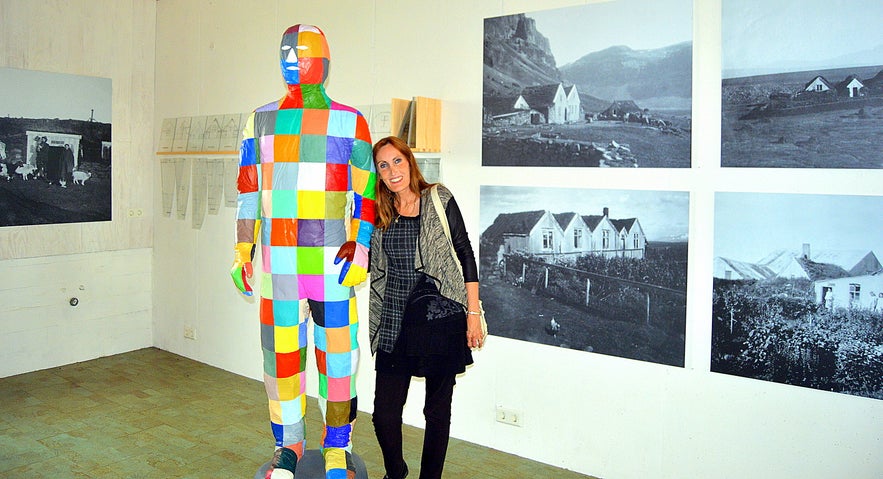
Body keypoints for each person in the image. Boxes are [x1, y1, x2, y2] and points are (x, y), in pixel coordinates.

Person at [230, 24, 375, 479]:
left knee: (338, 362)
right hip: (279, 270)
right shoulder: (260, 120)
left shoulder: (351, 122)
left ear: (325, 61)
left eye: (304, 52)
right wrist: (241, 249)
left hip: (332, 266)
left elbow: (367, 192)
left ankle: (338, 446)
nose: (295, 60)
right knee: (281, 361)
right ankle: (288, 443)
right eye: (288, 52)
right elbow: (249, 190)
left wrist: (362, 245)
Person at [368, 136, 484, 479]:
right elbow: (371, 262)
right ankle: (396, 471)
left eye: (397, 161)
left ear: (410, 161)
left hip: (440, 319)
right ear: (378, 173)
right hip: (394, 320)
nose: (392, 171)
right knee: (384, 415)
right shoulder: (379, 211)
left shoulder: (438, 198)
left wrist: (473, 315)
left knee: (436, 411)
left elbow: (465, 256)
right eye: (383, 166)